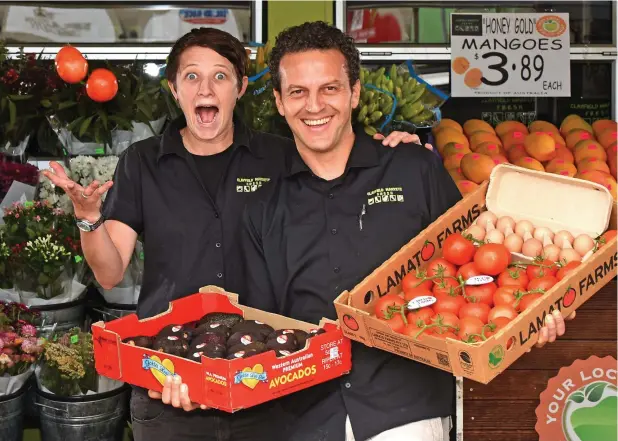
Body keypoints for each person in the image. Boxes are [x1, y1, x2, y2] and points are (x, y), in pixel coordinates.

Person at [41, 27, 427, 441]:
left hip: (264, 380)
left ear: (240, 88)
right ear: (174, 89)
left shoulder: (280, 155)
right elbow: (110, 273)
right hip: (172, 376)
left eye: (220, 76)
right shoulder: (143, 162)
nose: (206, 88)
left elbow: (340, 164)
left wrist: (394, 153)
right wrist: (88, 217)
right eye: (191, 76)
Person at [240, 21, 571, 441]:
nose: (314, 105)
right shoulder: (263, 207)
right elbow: (262, 327)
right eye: (298, 92)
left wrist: (526, 318)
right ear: (280, 102)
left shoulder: (413, 170)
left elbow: (477, 267)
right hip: (304, 418)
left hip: (407, 413)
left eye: (330, 88)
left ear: (355, 93)